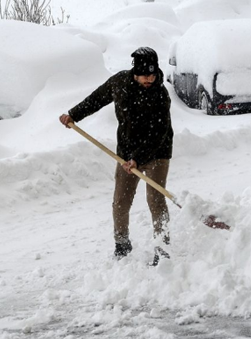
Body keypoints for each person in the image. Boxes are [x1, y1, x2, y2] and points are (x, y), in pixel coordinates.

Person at [59, 47, 173, 265]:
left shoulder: (160, 94)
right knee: (121, 201)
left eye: (153, 74)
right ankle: (122, 244)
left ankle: (163, 249)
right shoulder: (120, 83)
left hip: (157, 151)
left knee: (156, 200)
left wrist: (138, 158)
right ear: (134, 72)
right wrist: (73, 114)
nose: (150, 79)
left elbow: (158, 132)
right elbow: (96, 99)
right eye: (145, 75)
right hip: (126, 154)